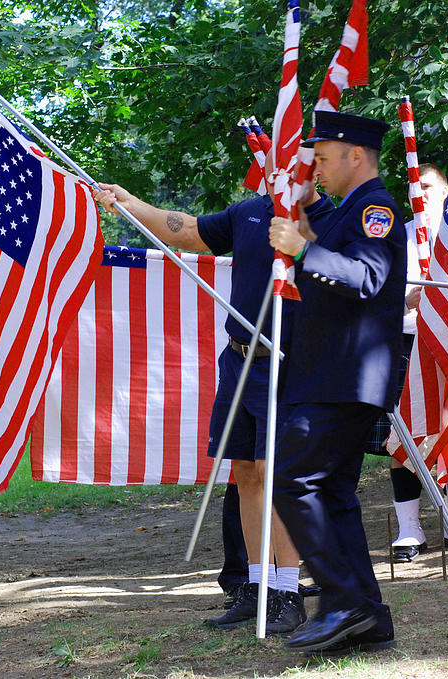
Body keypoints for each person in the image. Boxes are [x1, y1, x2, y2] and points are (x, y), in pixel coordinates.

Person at [93, 153, 333, 634]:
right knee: (245, 470)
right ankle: (257, 585)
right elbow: (185, 229)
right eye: (274, 163)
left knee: (281, 477)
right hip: (240, 357)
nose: (279, 173)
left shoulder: (330, 219)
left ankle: (287, 592)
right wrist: (127, 202)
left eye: (292, 164)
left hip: (293, 363)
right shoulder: (246, 212)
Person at [267, 110, 405, 654]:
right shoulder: (349, 210)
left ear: (355, 155)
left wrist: (302, 250)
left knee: (293, 479)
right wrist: (309, 210)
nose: (315, 167)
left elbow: (366, 275)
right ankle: (368, 617)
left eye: (322, 158)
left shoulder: (376, 208)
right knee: (333, 494)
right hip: (331, 375)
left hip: (341, 379)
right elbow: (337, 237)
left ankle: (342, 598)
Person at [379, 163, 448, 562]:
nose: (421, 192)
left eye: (429, 186)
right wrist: (405, 301)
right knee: (403, 439)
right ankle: (410, 530)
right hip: (406, 342)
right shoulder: (394, 239)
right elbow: (372, 298)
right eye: (415, 186)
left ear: (447, 191)